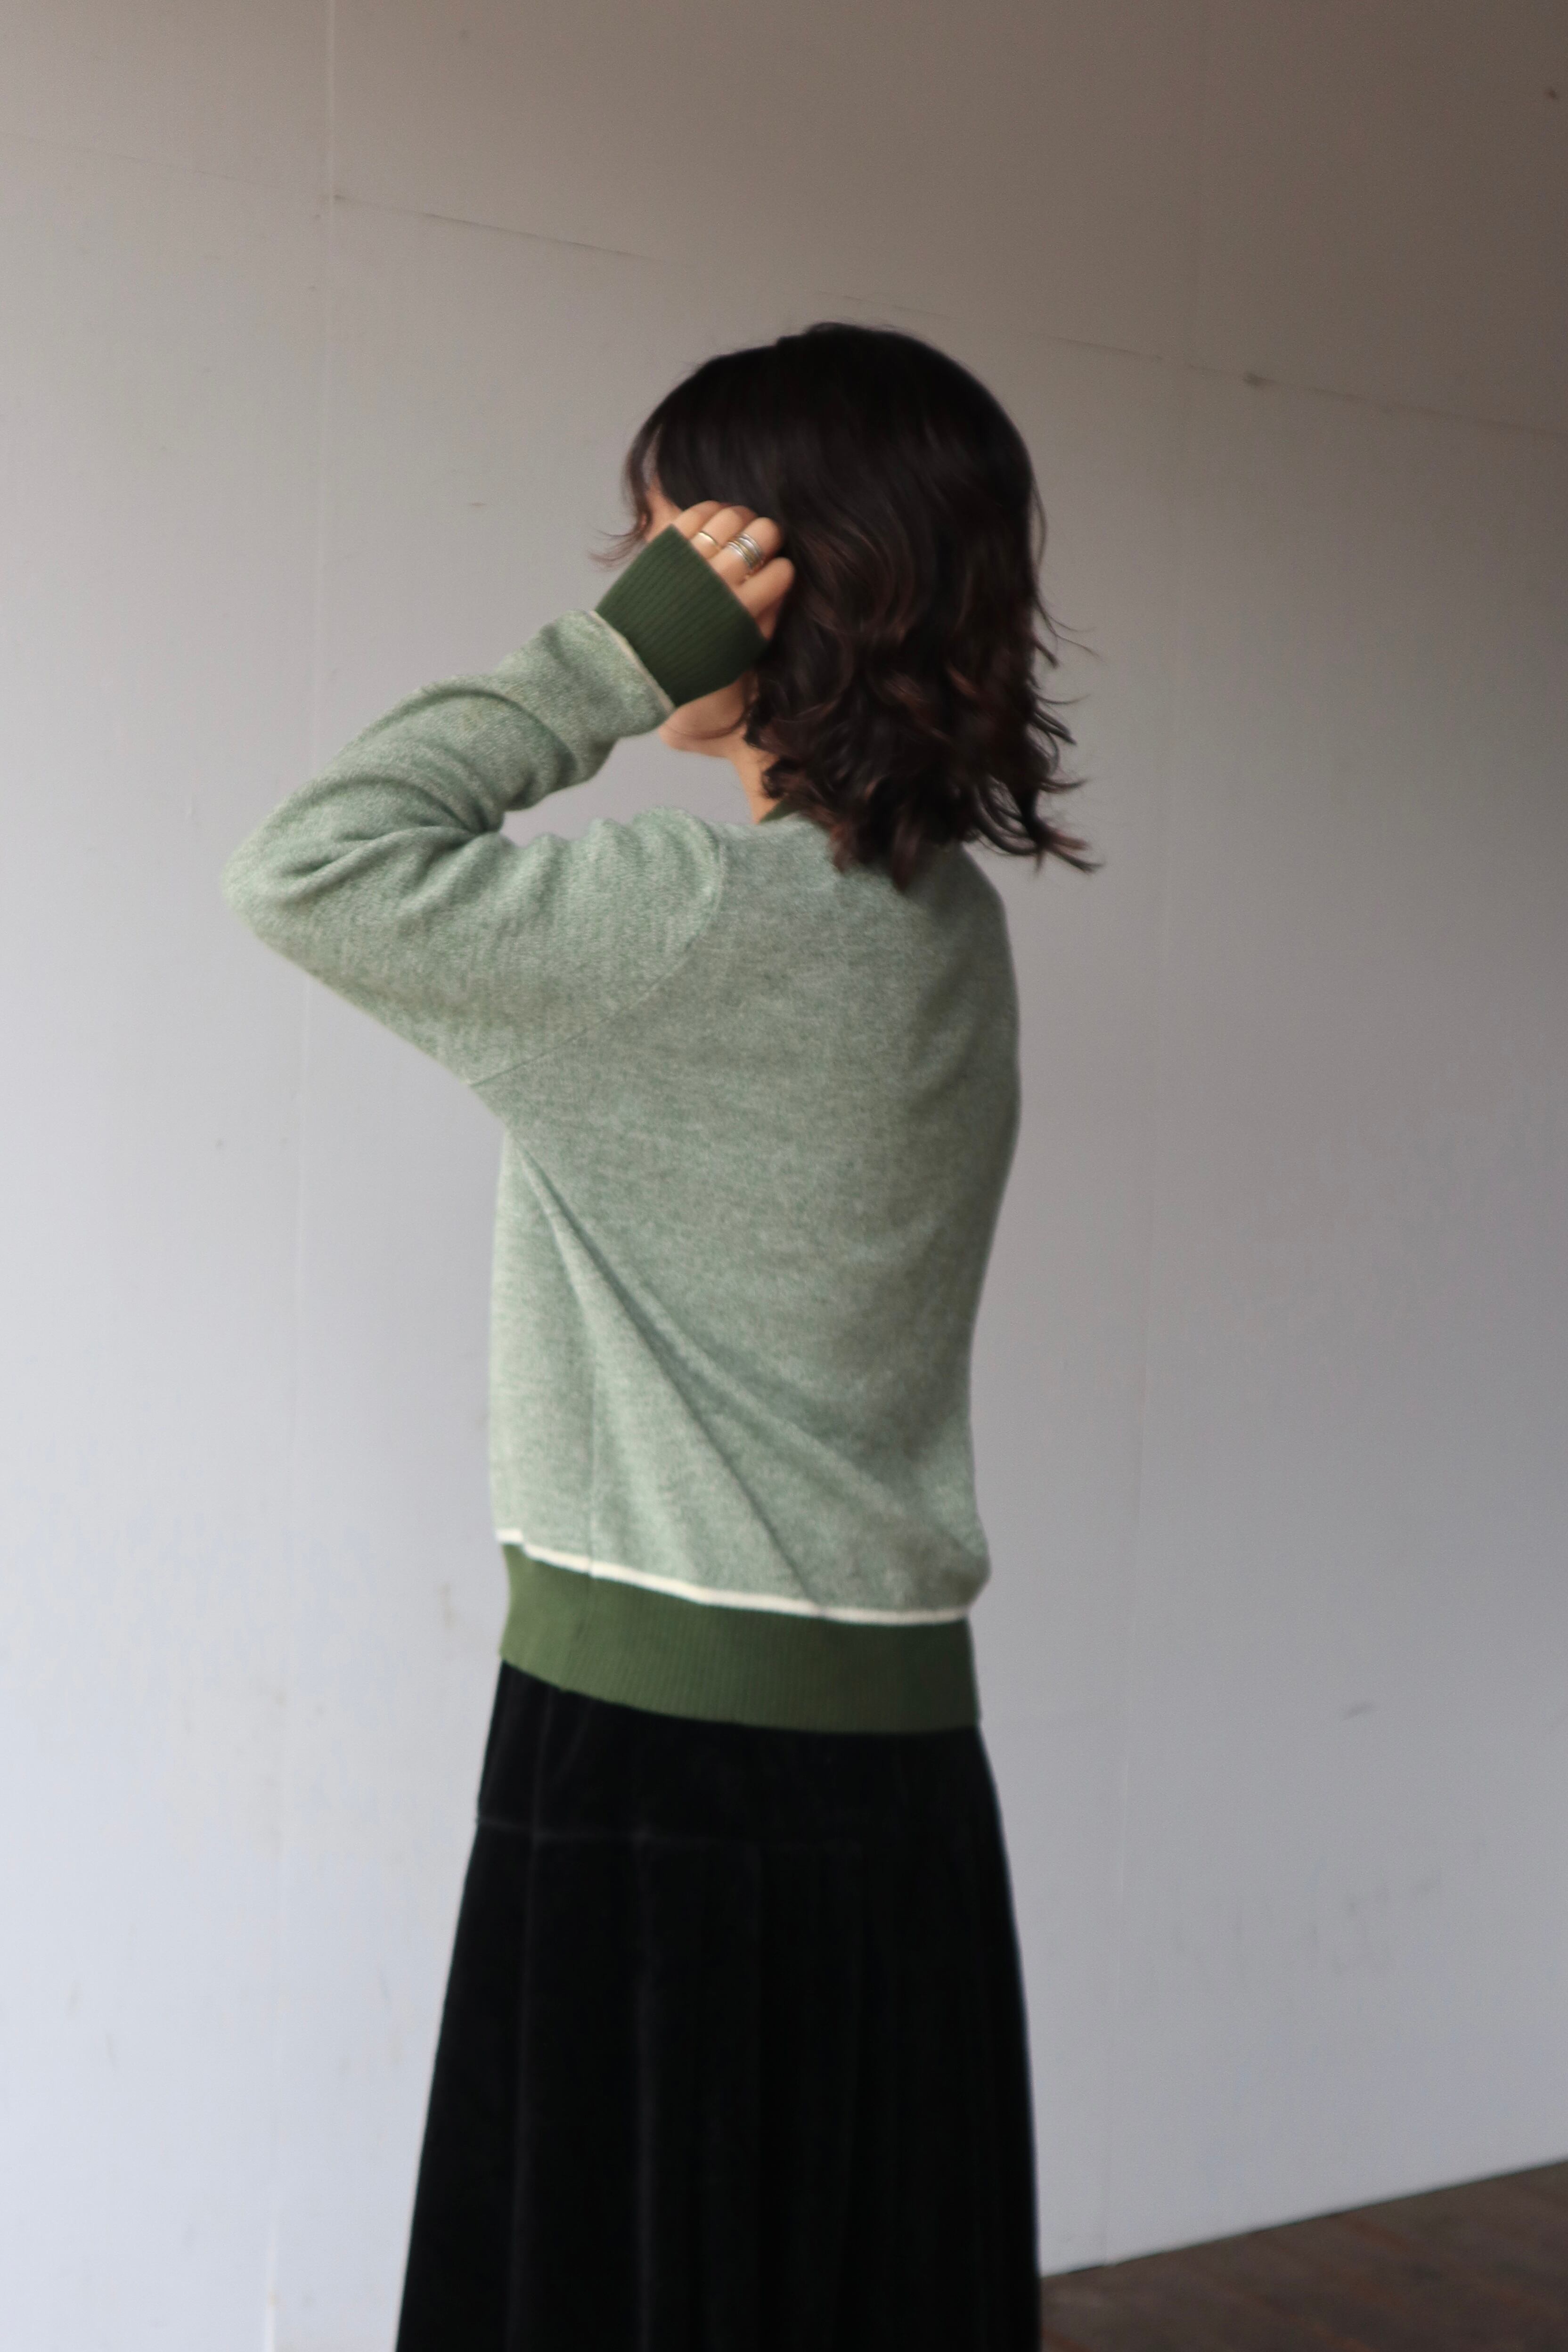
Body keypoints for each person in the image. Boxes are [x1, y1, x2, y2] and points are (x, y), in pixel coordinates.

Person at [221, 320, 1090, 2351]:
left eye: (670, 540)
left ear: (775, 581)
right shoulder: (950, 931)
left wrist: (603, 666)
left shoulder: (685, 930)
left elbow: (304, 868)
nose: (636, 570)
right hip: (898, 1773)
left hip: (659, 1769)